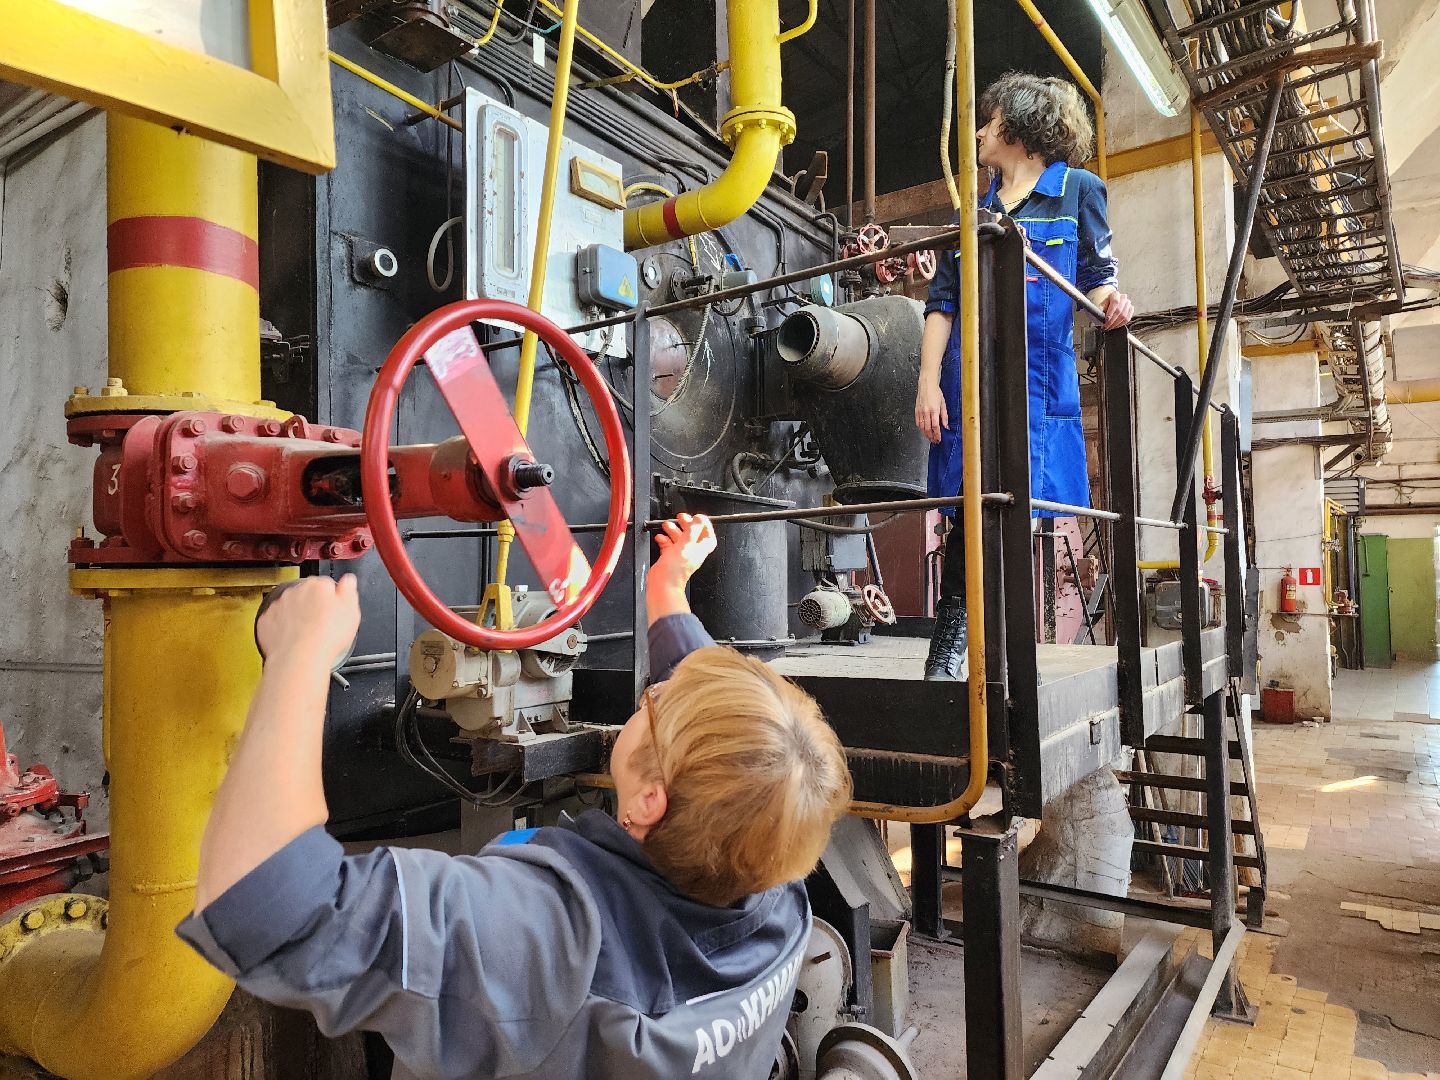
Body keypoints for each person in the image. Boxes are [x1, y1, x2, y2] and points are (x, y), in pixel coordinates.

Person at [177, 513, 852, 1079]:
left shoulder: (550, 936)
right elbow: (732, 735)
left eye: (654, 702)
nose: (657, 688)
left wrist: (300, 654)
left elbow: (266, 906)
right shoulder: (774, 888)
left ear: (648, 802)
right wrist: (668, 586)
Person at [915, 72, 1135, 680]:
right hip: (969, 381)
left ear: (1020, 125)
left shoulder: (1079, 190)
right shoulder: (976, 207)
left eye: (989, 121)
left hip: (1039, 384)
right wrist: (927, 381)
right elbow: (943, 301)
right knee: (967, 504)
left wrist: (1114, 301)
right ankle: (954, 634)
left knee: (1027, 510)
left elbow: (1097, 272)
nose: (980, 131)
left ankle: (1009, 641)